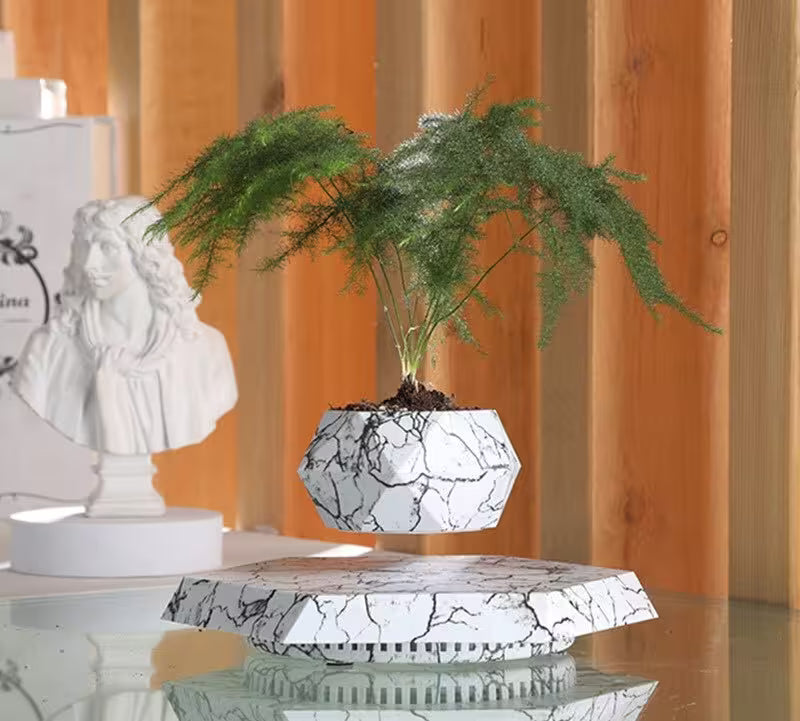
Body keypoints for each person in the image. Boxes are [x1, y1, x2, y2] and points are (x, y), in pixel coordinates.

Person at [13, 196, 237, 455]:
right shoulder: (47, 350)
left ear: (143, 253)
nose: (89, 265)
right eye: (85, 247)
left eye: (107, 248)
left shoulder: (205, 349)